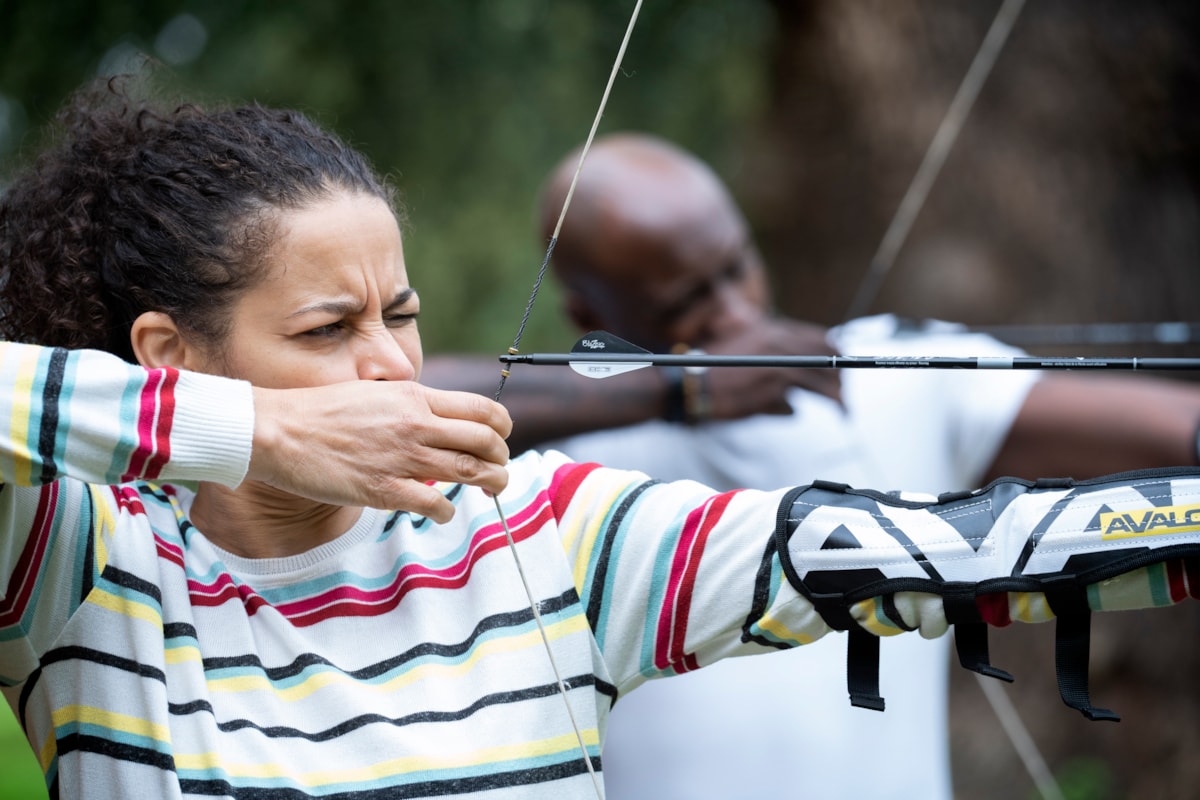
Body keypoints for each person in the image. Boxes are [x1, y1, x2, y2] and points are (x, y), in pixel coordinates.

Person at [2, 80, 1199, 800]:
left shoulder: (542, 532)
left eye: (403, 314)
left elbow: (936, 552)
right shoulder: (80, 560)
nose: (391, 365)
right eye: (328, 328)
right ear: (171, 355)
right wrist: (247, 433)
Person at [422, 133, 1200, 798]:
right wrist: (680, 388)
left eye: (736, 268)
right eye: (689, 298)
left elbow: (1175, 432)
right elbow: (391, 400)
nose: (738, 311)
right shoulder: (557, 466)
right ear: (589, 318)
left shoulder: (887, 373)